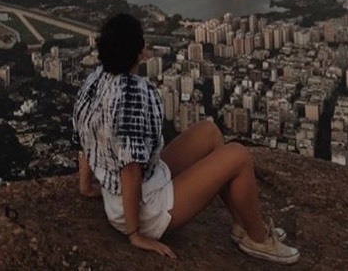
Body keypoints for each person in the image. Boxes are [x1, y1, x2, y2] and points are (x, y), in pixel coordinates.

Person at [73, 13, 300, 264]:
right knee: (239, 156)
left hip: (133, 190)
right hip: (143, 209)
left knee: (209, 132)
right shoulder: (132, 96)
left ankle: (242, 224)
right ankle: (258, 239)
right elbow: (130, 170)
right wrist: (135, 234)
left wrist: (85, 185)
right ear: (140, 52)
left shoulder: (94, 80)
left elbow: (83, 135)